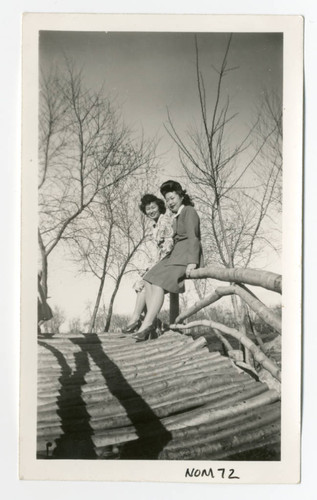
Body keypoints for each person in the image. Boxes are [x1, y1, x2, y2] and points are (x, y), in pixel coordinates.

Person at [133, 180, 203, 342]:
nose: (170, 203)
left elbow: (194, 237)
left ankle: (147, 324)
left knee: (158, 281)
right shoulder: (176, 216)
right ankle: (148, 322)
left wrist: (192, 261)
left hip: (185, 256)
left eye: (172, 198)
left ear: (181, 196)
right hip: (175, 255)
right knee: (150, 278)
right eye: (167, 200)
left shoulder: (189, 211)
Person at [122, 193, 174, 334]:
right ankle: (137, 320)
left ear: (159, 207)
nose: (150, 211)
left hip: (169, 259)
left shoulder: (165, 220)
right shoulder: (155, 225)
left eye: (153, 207)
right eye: (148, 209)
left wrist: (154, 265)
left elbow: (168, 245)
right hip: (161, 259)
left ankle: (143, 322)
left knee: (146, 279)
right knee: (141, 283)